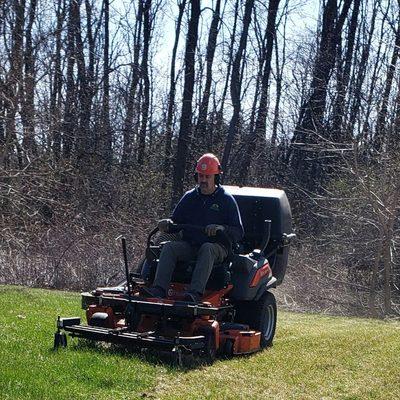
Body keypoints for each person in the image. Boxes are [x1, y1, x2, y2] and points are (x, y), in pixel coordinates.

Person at [142, 153, 244, 303]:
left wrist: (221, 228)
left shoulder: (226, 200)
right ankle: (159, 289)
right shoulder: (190, 197)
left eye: (207, 177)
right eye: (201, 176)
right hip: (191, 245)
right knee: (169, 247)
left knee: (207, 248)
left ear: (216, 177)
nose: (203, 180)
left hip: (218, 247)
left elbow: (238, 232)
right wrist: (167, 224)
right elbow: (175, 222)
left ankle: (194, 293)